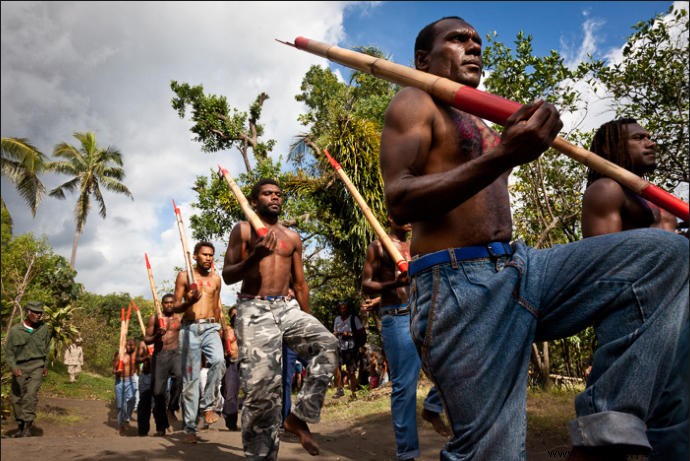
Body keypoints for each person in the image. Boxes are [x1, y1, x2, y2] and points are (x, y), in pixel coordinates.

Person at [378, 15, 688, 461]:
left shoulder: (483, 123)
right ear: (423, 58)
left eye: (478, 41)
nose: (473, 46)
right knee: (492, 453)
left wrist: (515, 145)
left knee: (663, 256)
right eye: (458, 39)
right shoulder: (415, 101)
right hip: (458, 285)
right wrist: (507, 152)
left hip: (521, 268)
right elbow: (400, 200)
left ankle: (604, 433)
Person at [222, 178, 338, 459]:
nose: (275, 197)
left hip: (287, 308)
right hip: (253, 309)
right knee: (262, 396)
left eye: (278, 194)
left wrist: (306, 323)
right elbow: (227, 275)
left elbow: (300, 285)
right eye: (267, 194)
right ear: (253, 201)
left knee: (328, 344)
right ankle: (261, 456)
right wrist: (255, 255)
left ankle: (299, 417)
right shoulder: (244, 230)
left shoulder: (292, 237)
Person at [361, 217, 450, 461]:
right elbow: (366, 284)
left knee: (452, 362)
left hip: (424, 313)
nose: (410, 220)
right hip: (397, 318)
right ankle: (407, 453)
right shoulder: (378, 247)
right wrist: (393, 283)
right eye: (403, 215)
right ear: (390, 217)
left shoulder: (417, 245)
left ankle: (432, 407)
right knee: (404, 386)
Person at [582, 118, 679, 236]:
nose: (651, 144)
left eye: (649, 138)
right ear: (609, 147)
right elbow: (602, 252)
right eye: (638, 138)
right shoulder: (606, 189)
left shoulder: (659, 199)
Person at [172, 241, 226, 444]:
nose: (208, 258)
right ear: (195, 256)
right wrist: (188, 301)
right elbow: (176, 307)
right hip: (189, 329)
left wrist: (222, 329)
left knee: (219, 361)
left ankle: (208, 405)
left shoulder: (216, 279)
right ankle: (190, 429)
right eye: (204, 254)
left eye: (211, 255)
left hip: (211, 327)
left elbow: (217, 306)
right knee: (191, 380)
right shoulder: (184, 276)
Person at [4, 300, 55, 437]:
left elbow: (47, 348)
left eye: (40, 313)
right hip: (20, 367)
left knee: (30, 395)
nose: (39, 315)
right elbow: (8, 352)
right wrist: (14, 368)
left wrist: (44, 366)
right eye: (36, 313)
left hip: (36, 366)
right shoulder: (15, 331)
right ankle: (20, 426)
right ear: (28, 312)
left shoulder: (44, 329)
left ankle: (28, 426)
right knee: (16, 397)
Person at [144, 293, 182, 436]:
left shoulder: (179, 318)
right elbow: (147, 339)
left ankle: (172, 407)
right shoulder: (155, 319)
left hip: (176, 353)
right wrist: (156, 335)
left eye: (172, 302)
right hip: (159, 356)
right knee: (158, 393)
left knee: (180, 376)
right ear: (162, 304)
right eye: (166, 303)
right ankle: (161, 426)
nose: (169, 305)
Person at [332, 301, 364, 401]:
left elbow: (361, 331)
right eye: (341, 308)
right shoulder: (337, 319)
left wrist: (350, 333)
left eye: (344, 308)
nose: (343, 310)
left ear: (348, 309)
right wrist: (334, 334)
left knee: (351, 371)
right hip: (339, 346)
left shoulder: (354, 318)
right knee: (336, 367)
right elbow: (335, 331)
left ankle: (354, 393)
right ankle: (340, 389)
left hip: (351, 348)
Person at [221, 304, 240, 431]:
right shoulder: (226, 330)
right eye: (233, 315)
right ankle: (231, 421)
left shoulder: (249, 329)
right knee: (229, 393)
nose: (236, 317)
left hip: (246, 363)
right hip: (231, 363)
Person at [113, 338, 137, 436]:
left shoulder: (136, 356)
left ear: (135, 346)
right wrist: (117, 371)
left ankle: (126, 419)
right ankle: (121, 425)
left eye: (132, 345)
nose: (130, 347)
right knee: (120, 406)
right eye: (128, 345)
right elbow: (113, 370)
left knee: (132, 399)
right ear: (125, 346)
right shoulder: (119, 355)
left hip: (131, 380)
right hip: (120, 381)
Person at [135, 340, 153, 436]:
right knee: (144, 404)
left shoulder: (163, 341)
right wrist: (147, 357)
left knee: (157, 404)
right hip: (146, 376)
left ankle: (161, 429)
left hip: (159, 377)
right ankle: (143, 430)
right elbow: (137, 359)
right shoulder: (143, 344)